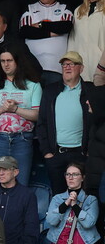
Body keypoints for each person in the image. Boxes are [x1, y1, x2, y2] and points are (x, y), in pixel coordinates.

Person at [0, 48, 42, 188]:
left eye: (9, 61)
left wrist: (15, 109)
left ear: (18, 62)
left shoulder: (33, 85)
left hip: (22, 139)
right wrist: (2, 109)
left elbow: (38, 115)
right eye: (2, 61)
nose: (6, 64)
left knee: (21, 185)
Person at [38, 53, 97, 194]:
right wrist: (47, 152)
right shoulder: (50, 90)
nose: (67, 67)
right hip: (56, 154)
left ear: (81, 68)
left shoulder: (90, 91)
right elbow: (42, 123)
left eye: (72, 64)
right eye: (64, 64)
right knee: (59, 198)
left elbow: (98, 122)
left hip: (81, 154)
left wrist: (90, 150)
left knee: (83, 198)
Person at [21, 0, 74, 85]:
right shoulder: (29, 8)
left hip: (57, 69)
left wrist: (41, 25)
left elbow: (65, 27)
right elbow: (26, 31)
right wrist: (52, 33)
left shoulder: (64, 8)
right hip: (32, 70)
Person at [44, 162, 99, 244]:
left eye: (75, 174)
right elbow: (51, 221)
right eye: (68, 174)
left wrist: (74, 205)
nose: (70, 177)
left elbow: (88, 223)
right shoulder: (57, 198)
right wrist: (66, 203)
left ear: (82, 178)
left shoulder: (91, 200)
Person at [0, 156, 39, 244]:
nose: (0, 173)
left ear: (15, 172)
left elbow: (31, 226)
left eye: (5, 169)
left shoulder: (27, 195)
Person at [67, 0, 105, 82]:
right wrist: (71, 63)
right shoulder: (78, 11)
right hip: (81, 67)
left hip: (101, 68)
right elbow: (72, 40)